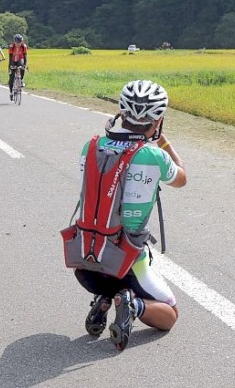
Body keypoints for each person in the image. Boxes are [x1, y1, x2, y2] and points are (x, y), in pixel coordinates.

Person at [66, 80, 187, 351]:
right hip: (128, 262)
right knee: (170, 315)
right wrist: (162, 140)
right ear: (158, 120)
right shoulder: (155, 155)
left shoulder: (91, 146)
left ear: (121, 111)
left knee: (113, 282)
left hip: (86, 261)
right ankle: (133, 304)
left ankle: (106, 298)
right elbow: (182, 177)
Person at [7, 34, 28, 100]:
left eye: (20, 42)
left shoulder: (24, 46)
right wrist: (10, 66)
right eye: (17, 43)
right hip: (13, 60)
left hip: (20, 59)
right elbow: (10, 57)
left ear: (22, 41)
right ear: (14, 42)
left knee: (22, 67)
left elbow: (25, 57)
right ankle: (11, 92)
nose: (18, 44)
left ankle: (21, 80)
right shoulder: (11, 46)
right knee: (11, 77)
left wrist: (24, 65)